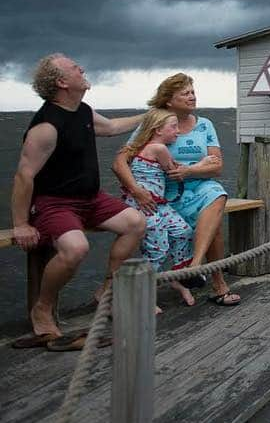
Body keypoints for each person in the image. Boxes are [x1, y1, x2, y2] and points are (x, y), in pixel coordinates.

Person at [10, 54, 147, 346]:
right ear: (62, 82)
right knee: (75, 248)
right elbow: (24, 176)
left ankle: (106, 292)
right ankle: (42, 309)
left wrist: (148, 115)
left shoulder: (82, 110)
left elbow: (110, 128)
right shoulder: (46, 125)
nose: (82, 69)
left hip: (90, 199)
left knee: (135, 222)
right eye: (74, 68)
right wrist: (21, 223)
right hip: (53, 203)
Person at [113, 73, 240, 306]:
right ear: (169, 101)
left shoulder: (205, 125)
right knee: (213, 229)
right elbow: (121, 161)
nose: (192, 97)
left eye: (193, 92)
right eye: (185, 93)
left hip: (199, 185)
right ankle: (215, 284)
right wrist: (136, 190)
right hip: (164, 193)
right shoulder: (154, 124)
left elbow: (217, 166)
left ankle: (194, 267)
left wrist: (190, 172)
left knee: (217, 194)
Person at [118, 109, 197, 312]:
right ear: (158, 130)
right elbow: (174, 172)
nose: (177, 132)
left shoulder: (142, 147)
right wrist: (204, 164)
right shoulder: (159, 148)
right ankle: (141, 293)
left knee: (183, 231)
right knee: (158, 249)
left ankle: (177, 277)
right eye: (173, 127)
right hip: (145, 206)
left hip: (158, 204)